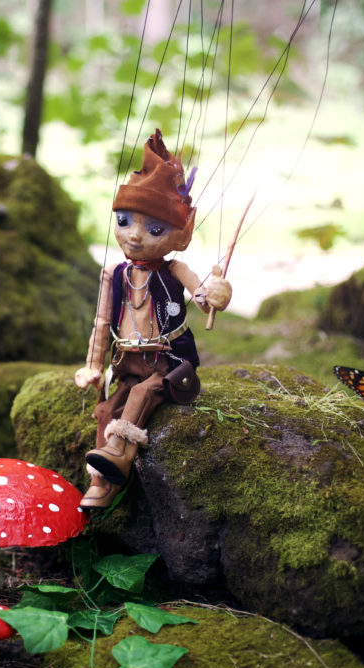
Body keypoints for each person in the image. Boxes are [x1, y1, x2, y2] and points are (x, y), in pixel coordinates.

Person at [74, 129, 232, 509]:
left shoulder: (174, 269)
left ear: (181, 235)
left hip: (166, 360)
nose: (135, 236)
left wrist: (217, 293)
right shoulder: (115, 274)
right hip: (127, 361)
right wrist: (93, 365)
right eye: (124, 221)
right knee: (106, 409)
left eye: (155, 229)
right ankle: (100, 481)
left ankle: (118, 455)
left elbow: (202, 296)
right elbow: (101, 323)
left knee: (143, 394)